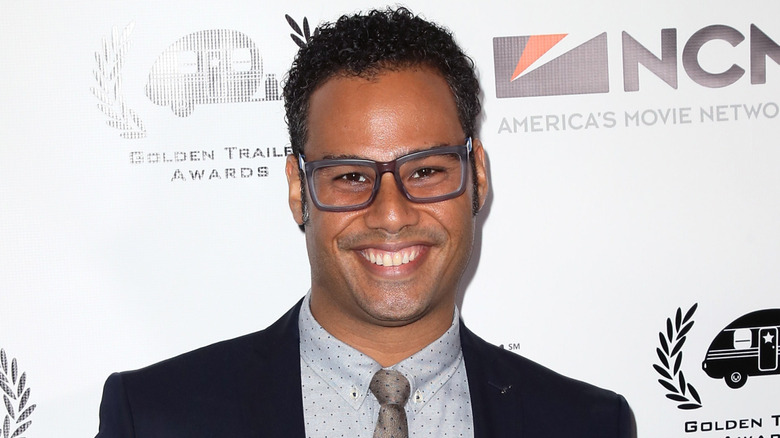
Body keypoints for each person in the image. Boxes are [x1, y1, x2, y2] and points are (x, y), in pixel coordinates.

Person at [96, 7, 631, 438]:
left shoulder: (585, 424)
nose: (392, 214)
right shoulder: (155, 418)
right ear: (297, 189)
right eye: (351, 176)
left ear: (478, 176)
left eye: (425, 171)